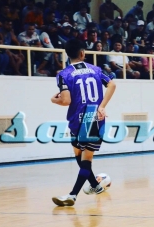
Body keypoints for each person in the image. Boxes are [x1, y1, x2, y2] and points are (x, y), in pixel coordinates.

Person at [51, 39, 116, 206]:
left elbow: (65, 101)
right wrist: (101, 106)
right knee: (85, 158)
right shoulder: (95, 69)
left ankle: (72, 195)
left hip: (76, 120)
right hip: (93, 118)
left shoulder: (63, 74)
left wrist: (53, 100)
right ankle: (95, 185)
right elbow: (112, 85)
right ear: (82, 53)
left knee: (81, 157)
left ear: (68, 54)